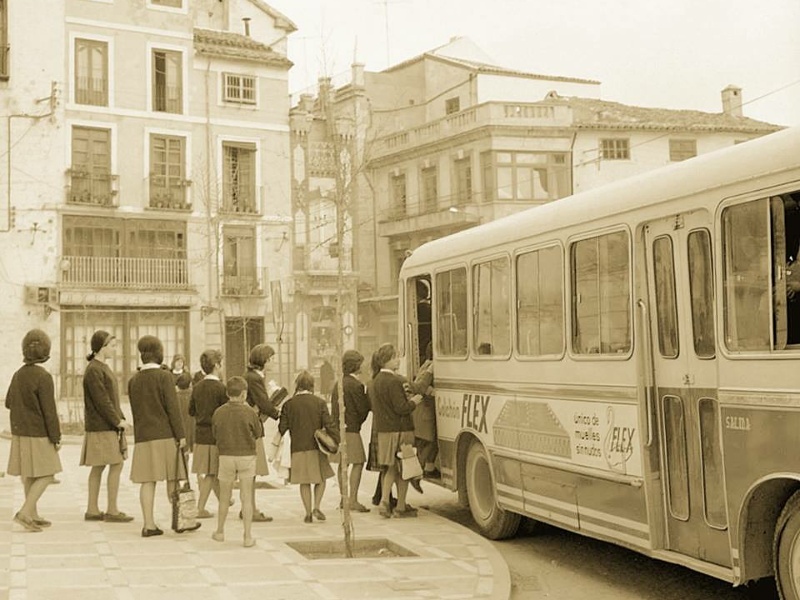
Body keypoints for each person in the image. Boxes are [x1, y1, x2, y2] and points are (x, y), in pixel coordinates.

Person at [128, 335, 198, 538]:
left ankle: (148, 525)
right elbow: (173, 409)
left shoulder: (134, 381)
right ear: (159, 354)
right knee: (173, 479)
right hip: (166, 434)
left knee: (147, 482)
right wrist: (182, 436)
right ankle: (182, 520)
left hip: (143, 437)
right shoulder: (165, 377)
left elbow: (135, 410)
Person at [6, 329, 62, 532]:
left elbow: (9, 402)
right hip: (39, 433)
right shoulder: (44, 376)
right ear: (46, 350)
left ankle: (33, 514)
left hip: (20, 432)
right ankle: (25, 512)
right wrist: (56, 437)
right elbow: (49, 411)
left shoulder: (18, 374)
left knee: (28, 475)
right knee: (48, 473)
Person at [81, 330, 133, 523]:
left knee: (99, 466)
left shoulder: (100, 367)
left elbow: (111, 400)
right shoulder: (95, 369)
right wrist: (117, 420)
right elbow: (102, 401)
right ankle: (111, 509)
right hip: (102, 426)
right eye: (112, 345)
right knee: (115, 464)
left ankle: (93, 509)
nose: (115, 348)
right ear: (101, 348)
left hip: (103, 425)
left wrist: (120, 417)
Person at [369, 343, 423, 518]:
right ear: (386, 360)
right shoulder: (394, 381)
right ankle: (400, 506)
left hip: (384, 431)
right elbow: (401, 407)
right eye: (394, 357)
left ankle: (385, 502)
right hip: (401, 430)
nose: (398, 360)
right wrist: (415, 401)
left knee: (390, 468)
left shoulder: (375, 381)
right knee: (404, 469)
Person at [279, 370, 339, 523]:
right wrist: (337, 440)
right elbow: (329, 423)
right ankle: (317, 506)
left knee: (304, 482)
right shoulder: (319, 403)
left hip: (298, 448)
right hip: (316, 447)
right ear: (312, 385)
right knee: (321, 478)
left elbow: (282, 428)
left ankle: (307, 512)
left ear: (297, 385)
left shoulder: (288, 404)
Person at [211, 376, 261, 548]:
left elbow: (215, 433)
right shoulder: (250, 413)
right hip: (246, 456)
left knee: (224, 497)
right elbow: (258, 433)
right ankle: (247, 536)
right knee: (246, 498)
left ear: (227, 393)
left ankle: (219, 531)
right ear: (244, 394)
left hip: (225, 456)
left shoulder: (218, 412)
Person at [330, 350, 372, 512]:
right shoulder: (357, 385)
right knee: (358, 462)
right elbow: (363, 409)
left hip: (339, 428)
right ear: (356, 365)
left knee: (343, 463)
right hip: (352, 429)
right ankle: (352, 499)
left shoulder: (339, 383)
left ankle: (344, 498)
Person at [189, 349, 227, 519]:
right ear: (217, 365)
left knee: (212, 471)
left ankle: (224, 500)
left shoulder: (197, 387)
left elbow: (191, 410)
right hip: (215, 435)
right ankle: (200, 508)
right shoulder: (221, 388)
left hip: (200, 434)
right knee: (212, 473)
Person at [243, 343, 279, 522]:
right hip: (251, 425)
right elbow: (263, 403)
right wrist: (277, 413)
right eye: (271, 359)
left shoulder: (254, 376)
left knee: (250, 470)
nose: (273, 362)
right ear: (264, 360)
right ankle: (251, 509)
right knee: (251, 470)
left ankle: (249, 507)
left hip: (250, 423)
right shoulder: (254, 378)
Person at [410, 342, 440, 479]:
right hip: (425, 411)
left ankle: (428, 468)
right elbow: (420, 387)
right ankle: (418, 473)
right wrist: (435, 392)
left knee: (428, 442)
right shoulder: (431, 366)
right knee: (429, 441)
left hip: (422, 411)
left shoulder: (425, 364)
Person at [171, 354, 194, 451]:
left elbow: (191, 387)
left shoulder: (187, 374)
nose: (179, 364)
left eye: (181, 362)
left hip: (185, 400)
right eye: (177, 361)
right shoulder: (169, 374)